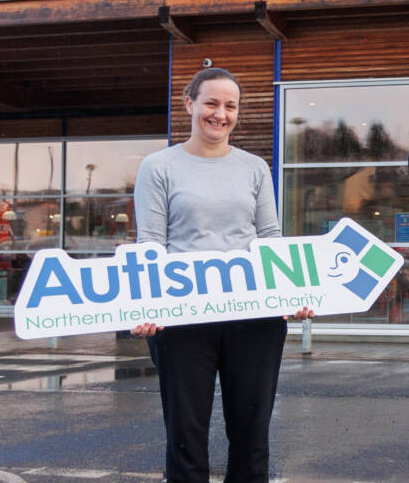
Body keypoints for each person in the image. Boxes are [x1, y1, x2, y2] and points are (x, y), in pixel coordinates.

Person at [130, 67, 313, 483]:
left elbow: (269, 237)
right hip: (182, 318)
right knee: (185, 435)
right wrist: (146, 304)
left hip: (253, 317)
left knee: (252, 436)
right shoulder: (159, 166)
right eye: (211, 103)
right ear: (189, 103)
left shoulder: (254, 167)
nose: (220, 114)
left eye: (230, 106)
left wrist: (290, 294)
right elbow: (151, 242)